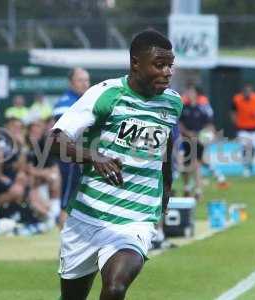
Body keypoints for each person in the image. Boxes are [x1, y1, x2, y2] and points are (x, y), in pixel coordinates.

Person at [51, 30, 182, 300]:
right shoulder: (106, 94)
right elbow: (54, 141)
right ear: (136, 63)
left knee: (115, 287)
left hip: (136, 219)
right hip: (87, 218)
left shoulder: (173, 102)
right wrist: (93, 156)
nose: (168, 72)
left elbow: (165, 145)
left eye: (170, 65)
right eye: (160, 65)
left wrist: (166, 188)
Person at [53, 67, 90, 227]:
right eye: (80, 80)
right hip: (71, 159)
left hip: (85, 157)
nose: (85, 84)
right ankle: (65, 246)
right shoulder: (65, 104)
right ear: (71, 83)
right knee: (67, 201)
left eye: (86, 80)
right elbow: (61, 135)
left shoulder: (86, 100)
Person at [179, 86, 215, 200]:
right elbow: (179, 124)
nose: (189, 94)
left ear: (196, 94)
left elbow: (209, 124)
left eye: (192, 92)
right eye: (188, 92)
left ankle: (198, 190)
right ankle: (187, 187)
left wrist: (206, 135)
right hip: (186, 140)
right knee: (186, 166)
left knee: (197, 164)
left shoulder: (202, 109)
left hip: (199, 140)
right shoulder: (184, 108)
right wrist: (187, 133)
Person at [231, 82, 255, 177]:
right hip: (242, 128)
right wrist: (235, 122)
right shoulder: (237, 99)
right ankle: (246, 167)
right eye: (245, 91)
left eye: (249, 91)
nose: (247, 93)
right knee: (245, 147)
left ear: (252, 91)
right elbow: (233, 112)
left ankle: (250, 164)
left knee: (253, 148)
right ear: (243, 92)